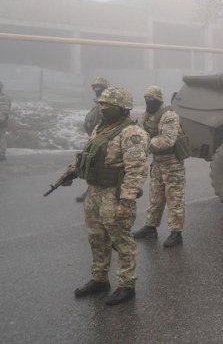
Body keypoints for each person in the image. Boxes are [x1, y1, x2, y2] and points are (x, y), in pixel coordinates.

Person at [70, 86, 149, 305]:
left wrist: (126, 201)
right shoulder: (100, 128)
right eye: (101, 104)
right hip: (94, 192)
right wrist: (72, 171)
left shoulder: (132, 133)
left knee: (121, 240)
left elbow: (136, 170)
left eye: (107, 105)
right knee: (97, 238)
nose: (102, 108)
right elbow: (88, 155)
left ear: (122, 108)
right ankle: (99, 279)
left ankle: (126, 285)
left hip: (115, 195)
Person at [132, 85, 189, 248]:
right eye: (146, 99)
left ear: (158, 100)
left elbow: (167, 140)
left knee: (175, 198)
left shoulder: (169, 115)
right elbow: (139, 132)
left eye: (152, 100)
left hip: (172, 162)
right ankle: (150, 227)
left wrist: (143, 144)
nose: (149, 103)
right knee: (155, 196)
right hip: (157, 162)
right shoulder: (145, 116)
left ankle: (176, 233)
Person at [76, 77, 110, 202]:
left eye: (99, 87)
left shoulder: (109, 104)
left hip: (106, 140)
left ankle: (93, 193)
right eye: (95, 88)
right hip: (95, 139)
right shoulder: (97, 104)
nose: (97, 90)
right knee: (93, 165)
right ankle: (91, 192)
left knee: (102, 167)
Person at [0, 80, 10, 161]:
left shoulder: (3, 98)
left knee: (1, 137)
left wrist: (0, 119)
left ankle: (1, 154)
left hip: (1, 121)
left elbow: (4, 110)